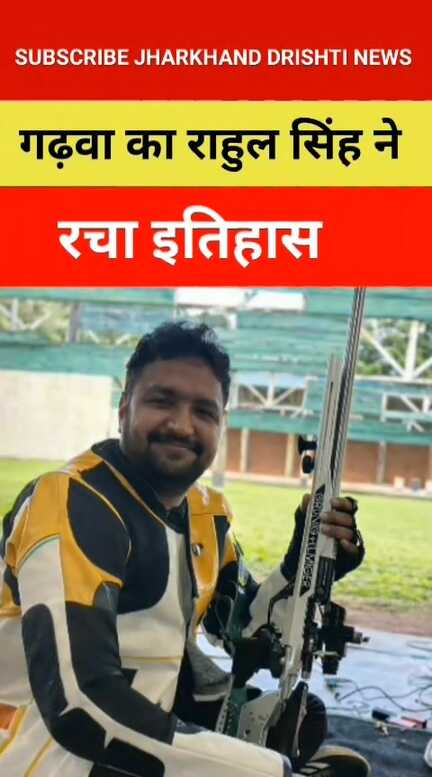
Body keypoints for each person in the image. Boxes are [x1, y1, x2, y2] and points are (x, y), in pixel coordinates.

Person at [0, 321, 370, 777]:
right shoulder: (73, 501)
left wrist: (307, 561)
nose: (182, 425)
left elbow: (247, 629)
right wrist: (267, 771)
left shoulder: (204, 513)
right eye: (162, 401)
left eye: (204, 411)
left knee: (297, 717)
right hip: (43, 745)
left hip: (141, 716)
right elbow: (78, 707)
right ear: (124, 408)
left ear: (221, 425)